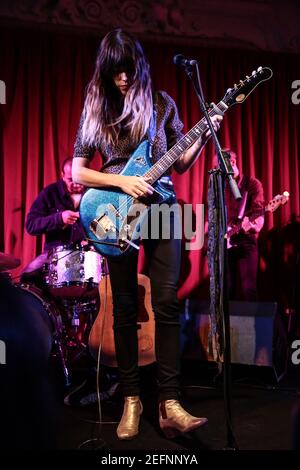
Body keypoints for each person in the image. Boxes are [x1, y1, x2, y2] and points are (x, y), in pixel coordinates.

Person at [72, 29, 223, 440]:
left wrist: (205, 131)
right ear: (105, 71)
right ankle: (132, 401)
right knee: (123, 307)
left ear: (139, 66)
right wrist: (122, 183)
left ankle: (171, 402)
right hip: (117, 211)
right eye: (115, 71)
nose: (123, 78)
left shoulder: (162, 102)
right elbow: (78, 171)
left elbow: (181, 162)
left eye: (128, 69)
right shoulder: (98, 109)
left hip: (164, 209)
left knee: (167, 304)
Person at [21, 157, 85, 285]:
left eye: (80, 179)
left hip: (86, 254)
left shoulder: (92, 194)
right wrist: (59, 218)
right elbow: (31, 225)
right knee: (27, 278)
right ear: (62, 175)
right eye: (70, 180)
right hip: (55, 254)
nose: (76, 184)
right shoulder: (50, 193)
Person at [223, 149, 265, 301]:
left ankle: (252, 325)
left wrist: (254, 226)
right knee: (226, 290)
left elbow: (259, 213)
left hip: (246, 241)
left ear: (231, 163)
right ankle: (229, 325)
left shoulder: (252, 184)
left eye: (217, 166)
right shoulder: (221, 187)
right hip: (226, 243)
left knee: (249, 290)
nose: (215, 170)